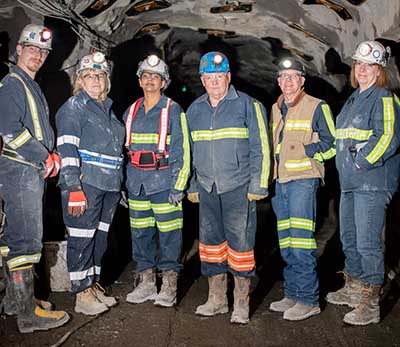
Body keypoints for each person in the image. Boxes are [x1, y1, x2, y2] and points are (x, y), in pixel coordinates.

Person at [186, 51, 270, 324]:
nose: (214, 82)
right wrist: (192, 184)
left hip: (238, 186)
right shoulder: (194, 110)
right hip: (208, 187)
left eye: (219, 77)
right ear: (202, 79)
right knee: (210, 246)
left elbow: (262, 148)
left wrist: (259, 183)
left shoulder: (249, 105)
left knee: (241, 246)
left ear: (228, 78)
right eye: (209, 77)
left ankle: (241, 303)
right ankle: (217, 299)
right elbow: (189, 151)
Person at [0, 23, 69, 333]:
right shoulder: (13, 84)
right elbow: (10, 130)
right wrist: (46, 157)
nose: (38, 55)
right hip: (20, 169)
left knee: (12, 238)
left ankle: (15, 303)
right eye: (32, 49)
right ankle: (28, 314)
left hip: (26, 170)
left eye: (42, 51)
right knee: (26, 241)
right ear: (18, 50)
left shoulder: (29, 84)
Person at [326, 41, 400, 325]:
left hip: (372, 183)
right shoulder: (354, 99)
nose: (363, 69)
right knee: (350, 238)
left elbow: (388, 137)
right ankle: (355, 287)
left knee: (369, 243)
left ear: (379, 70)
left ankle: (370, 303)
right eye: (359, 64)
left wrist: (362, 161)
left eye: (370, 65)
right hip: (350, 183)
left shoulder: (383, 97)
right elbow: (341, 139)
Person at [56, 52, 125, 315]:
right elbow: (67, 148)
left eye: (99, 75)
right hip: (85, 184)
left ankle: (93, 285)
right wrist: (73, 188)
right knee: (82, 238)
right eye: (88, 76)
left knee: (99, 238)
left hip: (108, 185)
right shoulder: (74, 107)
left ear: (106, 80)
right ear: (80, 80)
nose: (95, 80)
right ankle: (82, 294)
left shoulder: (107, 109)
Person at [269, 57, 336, 321]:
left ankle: (309, 299)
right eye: (283, 77)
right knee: (286, 242)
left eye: (293, 76)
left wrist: (308, 151)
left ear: (302, 80)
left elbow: (332, 144)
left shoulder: (317, 106)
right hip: (281, 182)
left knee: (301, 241)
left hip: (303, 181)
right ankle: (293, 293)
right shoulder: (276, 108)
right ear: (278, 81)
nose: (288, 81)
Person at [124, 55, 190, 308]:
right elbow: (124, 152)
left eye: (156, 77)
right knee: (140, 234)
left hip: (164, 184)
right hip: (136, 184)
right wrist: (123, 184)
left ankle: (169, 286)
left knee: (170, 235)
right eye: (146, 76)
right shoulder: (130, 111)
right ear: (140, 80)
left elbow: (182, 151)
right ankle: (147, 283)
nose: (150, 80)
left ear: (164, 82)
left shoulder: (173, 110)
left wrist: (178, 186)